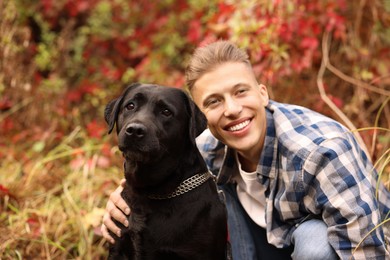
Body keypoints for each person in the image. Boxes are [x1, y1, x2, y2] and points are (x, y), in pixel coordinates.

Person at [101, 40, 390, 259]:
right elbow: (161, 161)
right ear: (199, 117)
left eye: (240, 92)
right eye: (214, 101)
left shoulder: (323, 152)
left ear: (262, 93)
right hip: (260, 248)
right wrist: (123, 196)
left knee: (314, 242)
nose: (232, 110)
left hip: (333, 249)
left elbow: (366, 251)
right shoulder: (206, 146)